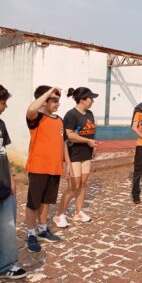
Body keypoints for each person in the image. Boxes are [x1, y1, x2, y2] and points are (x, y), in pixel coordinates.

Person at [25, 86, 71, 252]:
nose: (58, 104)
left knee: (46, 201)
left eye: (58, 101)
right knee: (33, 203)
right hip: (38, 167)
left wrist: (68, 163)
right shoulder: (36, 118)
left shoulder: (59, 120)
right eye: (54, 100)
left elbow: (63, 143)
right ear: (44, 101)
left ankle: (42, 229)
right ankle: (31, 233)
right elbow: (31, 109)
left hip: (54, 168)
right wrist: (47, 93)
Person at [53, 87, 98, 228]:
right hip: (74, 155)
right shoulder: (71, 115)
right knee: (74, 186)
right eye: (90, 98)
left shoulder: (90, 114)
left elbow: (91, 132)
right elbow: (69, 135)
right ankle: (59, 215)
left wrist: (93, 145)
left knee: (83, 184)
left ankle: (78, 212)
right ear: (82, 99)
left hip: (86, 154)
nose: (92, 101)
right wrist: (87, 141)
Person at [0, 85, 27, 280]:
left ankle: (6, 265)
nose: (5, 106)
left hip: (3, 187)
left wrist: (11, 179)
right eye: (3, 102)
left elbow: (4, 154)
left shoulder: (1, 124)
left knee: (8, 228)